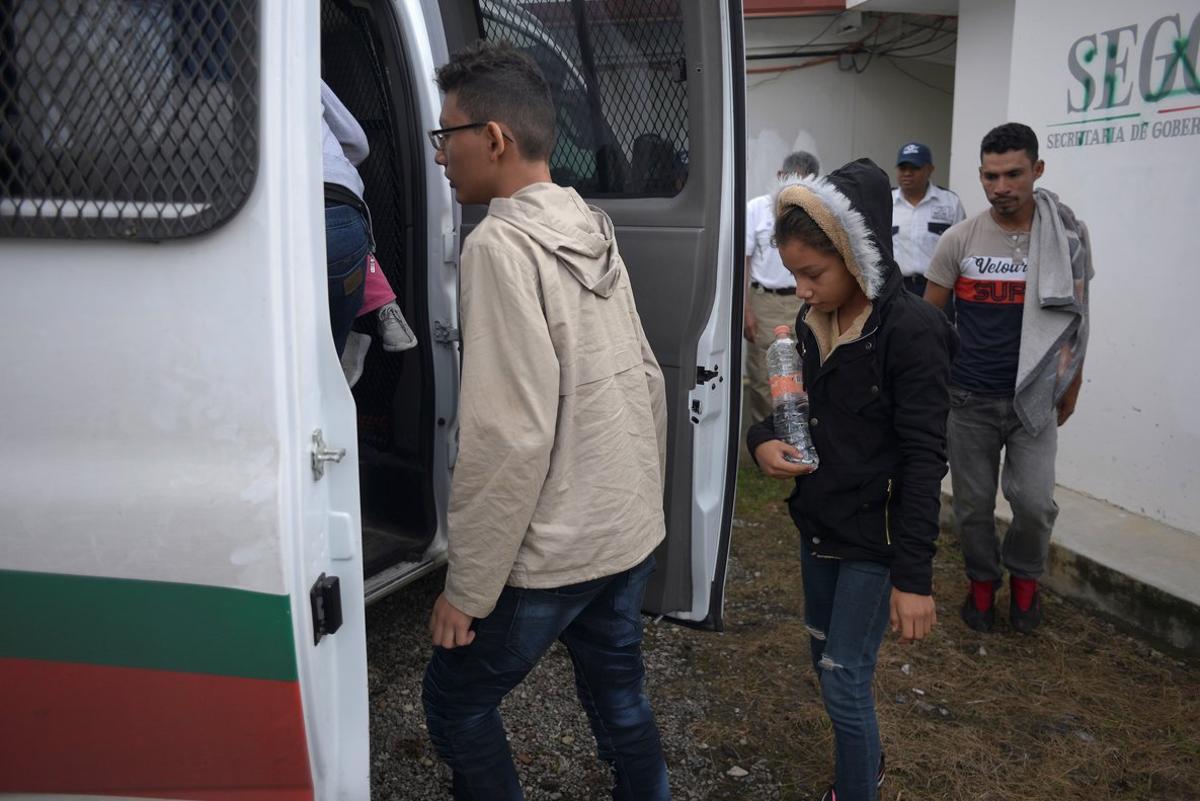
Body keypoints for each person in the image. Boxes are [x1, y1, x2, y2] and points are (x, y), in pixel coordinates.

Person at [421, 40, 672, 801]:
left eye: (445, 136)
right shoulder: (588, 221)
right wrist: (639, 502)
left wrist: (468, 585)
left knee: (455, 702)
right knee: (619, 695)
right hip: (623, 531)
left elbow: (508, 434)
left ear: (492, 138)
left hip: (555, 551)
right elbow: (646, 379)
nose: (439, 157)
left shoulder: (498, 243)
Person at [748, 159, 953, 801]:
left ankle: (856, 788)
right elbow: (788, 411)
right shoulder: (811, 328)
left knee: (843, 674)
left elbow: (925, 460)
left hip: (876, 536)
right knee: (825, 661)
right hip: (820, 524)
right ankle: (868, 758)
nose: (802, 290)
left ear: (856, 254)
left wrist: (914, 580)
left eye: (813, 274)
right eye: (793, 275)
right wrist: (762, 444)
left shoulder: (913, 333)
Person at [922, 122, 1093, 635]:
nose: (1002, 187)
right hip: (968, 398)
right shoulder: (960, 239)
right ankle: (981, 587)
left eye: (1014, 174)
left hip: (1034, 398)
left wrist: (1074, 381)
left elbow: (1077, 316)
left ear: (1036, 171)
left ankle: (1025, 586)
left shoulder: (1066, 238)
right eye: (991, 176)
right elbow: (928, 325)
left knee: (1035, 504)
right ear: (980, 176)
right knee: (973, 508)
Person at [321, 80, 416, 356]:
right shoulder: (296, 59)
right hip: (342, 208)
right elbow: (357, 144)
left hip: (276, 210)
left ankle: (346, 343)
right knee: (356, 255)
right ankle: (380, 312)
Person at [743, 150, 821, 424]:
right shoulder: (756, 209)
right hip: (766, 302)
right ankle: (766, 439)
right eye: (790, 182)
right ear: (779, 176)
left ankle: (799, 433)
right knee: (764, 374)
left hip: (806, 302)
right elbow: (745, 261)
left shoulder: (816, 211)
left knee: (805, 370)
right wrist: (746, 310)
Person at [890, 142, 965, 299]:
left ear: (930, 169)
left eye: (914, 168)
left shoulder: (950, 202)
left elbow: (962, 249)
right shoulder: (884, 202)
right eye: (903, 168)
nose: (907, 173)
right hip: (897, 289)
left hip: (939, 287)